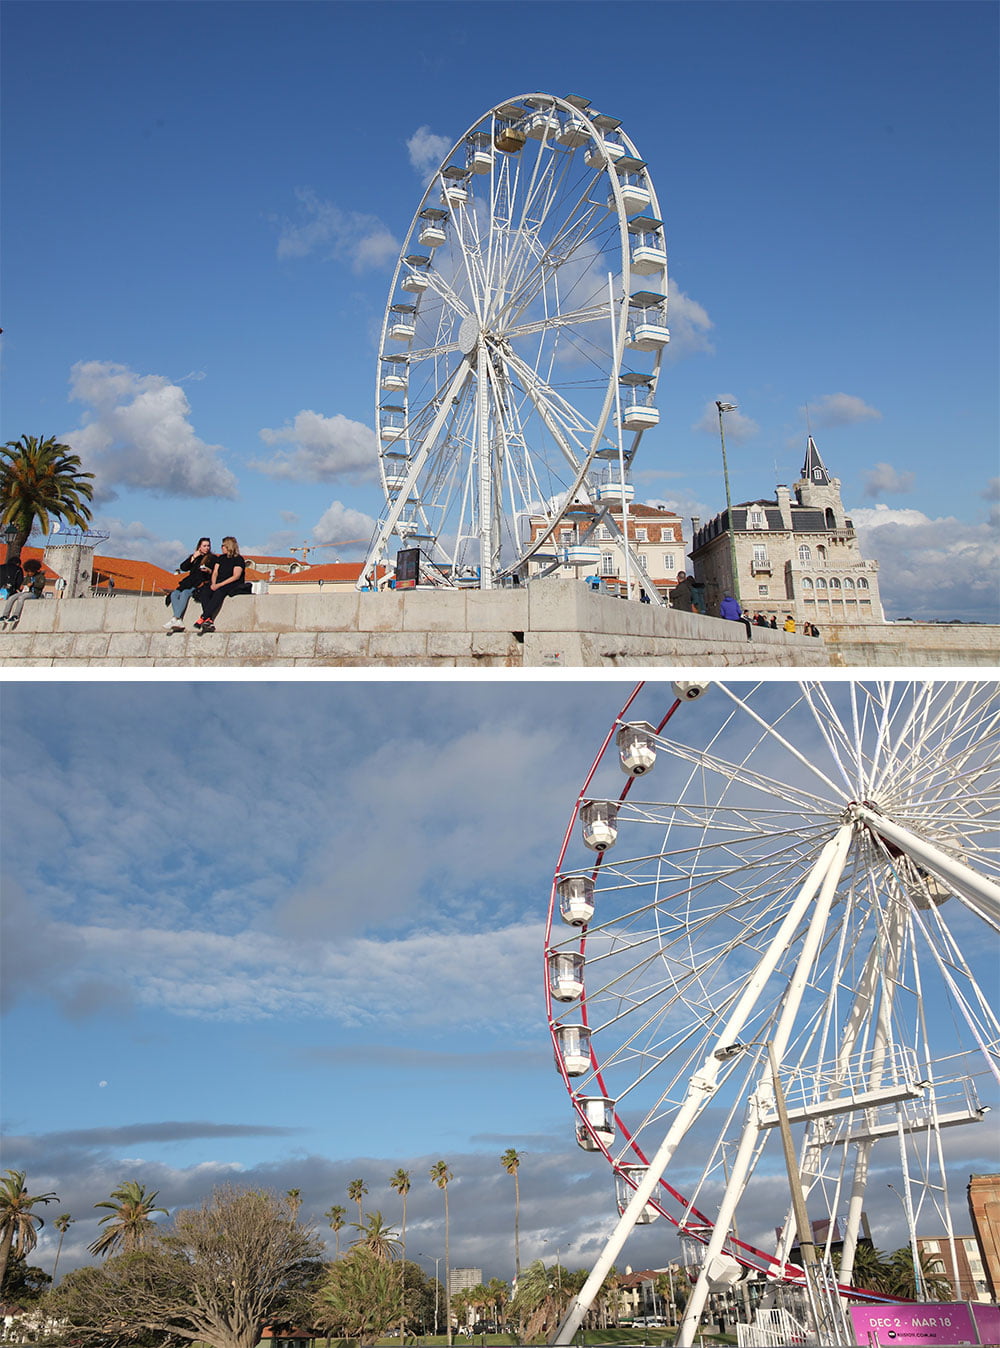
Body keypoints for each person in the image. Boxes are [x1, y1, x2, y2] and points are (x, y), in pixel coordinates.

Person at [195, 535, 251, 631]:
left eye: (223, 546)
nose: (221, 548)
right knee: (205, 591)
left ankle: (204, 616)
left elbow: (236, 576)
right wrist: (213, 583)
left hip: (232, 584)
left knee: (220, 592)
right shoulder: (220, 558)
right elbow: (215, 572)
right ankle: (208, 619)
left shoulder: (238, 559)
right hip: (218, 582)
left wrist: (219, 585)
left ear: (228, 547)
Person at [163, 537, 215, 631]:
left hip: (199, 583)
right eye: (204, 546)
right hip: (189, 581)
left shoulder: (212, 558)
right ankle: (177, 619)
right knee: (174, 594)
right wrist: (193, 557)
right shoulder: (195, 557)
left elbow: (214, 571)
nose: (207, 548)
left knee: (185, 593)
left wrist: (208, 570)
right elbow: (183, 567)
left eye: (208, 546)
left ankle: (176, 618)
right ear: (199, 547)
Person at [0, 559, 46, 626]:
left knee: (21, 598)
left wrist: (33, 584)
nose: (29, 573)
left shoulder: (40, 577)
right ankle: (5, 615)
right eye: (28, 572)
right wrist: (21, 586)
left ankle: (16, 615)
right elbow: (23, 583)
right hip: (25, 591)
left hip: (34, 593)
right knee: (11, 598)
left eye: (31, 572)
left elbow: (41, 585)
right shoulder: (28, 577)